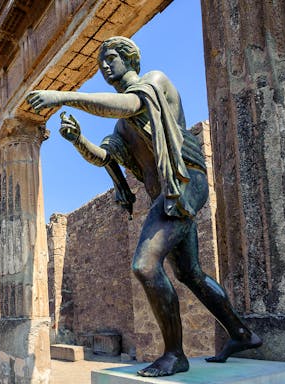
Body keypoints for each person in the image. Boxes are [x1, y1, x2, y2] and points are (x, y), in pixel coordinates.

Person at [26, 36, 262, 377]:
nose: (104, 66)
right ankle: (241, 333)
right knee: (190, 274)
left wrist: (63, 96)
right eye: (100, 63)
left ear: (129, 58)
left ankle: (174, 353)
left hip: (183, 184)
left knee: (145, 265)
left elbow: (130, 105)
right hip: (169, 194)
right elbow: (106, 157)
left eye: (110, 58)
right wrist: (79, 140)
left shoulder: (154, 82)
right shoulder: (121, 127)